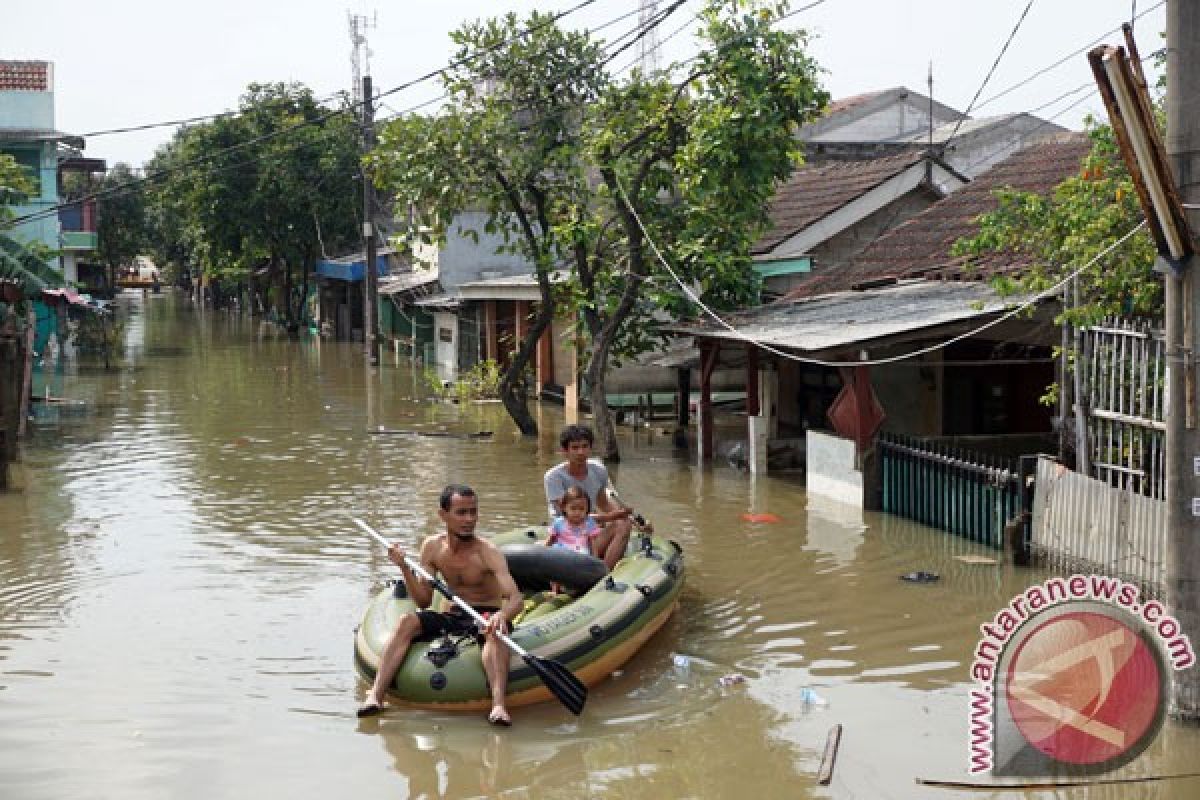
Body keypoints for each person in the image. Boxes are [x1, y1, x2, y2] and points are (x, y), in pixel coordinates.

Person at [357, 484, 522, 726]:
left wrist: (502, 616)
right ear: (443, 515)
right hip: (453, 613)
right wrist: (404, 567)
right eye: (461, 513)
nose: (469, 519)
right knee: (407, 621)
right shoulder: (432, 547)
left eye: (473, 512)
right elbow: (423, 600)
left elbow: (516, 598)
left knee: (496, 634)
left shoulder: (488, 552)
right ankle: (375, 696)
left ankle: (498, 706)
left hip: (485, 614)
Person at [543, 424, 652, 570]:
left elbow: (604, 504)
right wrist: (612, 517)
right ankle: (599, 573)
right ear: (565, 451)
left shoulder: (598, 470)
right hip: (566, 536)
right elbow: (570, 515)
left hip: (590, 532)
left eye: (585, 446)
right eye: (575, 448)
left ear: (590, 448)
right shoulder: (554, 477)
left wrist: (636, 522)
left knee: (624, 523)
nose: (581, 452)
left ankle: (603, 573)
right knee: (618, 521)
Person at [545, 485, 601, 555]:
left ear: (587, 509)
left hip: (580, 552)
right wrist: (542, 554)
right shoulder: (559, 522)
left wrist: (595, 560)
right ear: (564, 508)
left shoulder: (589, 523)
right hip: (561, 551)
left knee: (583, 553)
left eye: (581, 509)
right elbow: (551, 540)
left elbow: (593, 544)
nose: (577, 512)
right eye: (573, 508)